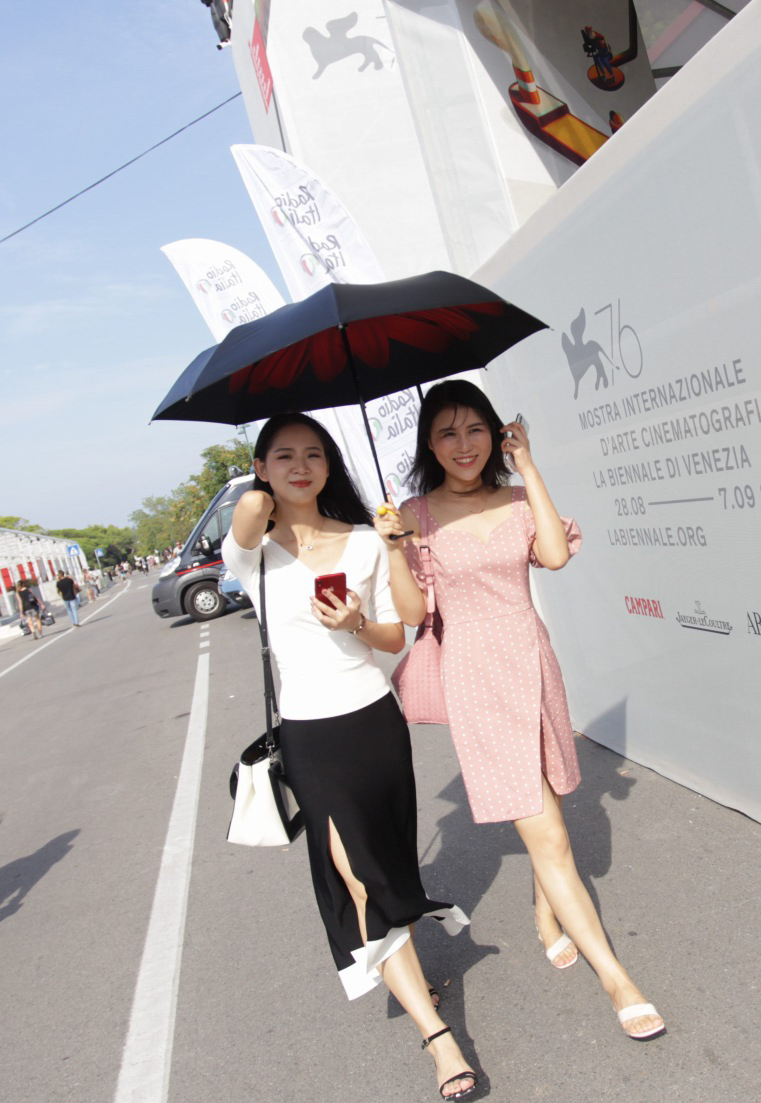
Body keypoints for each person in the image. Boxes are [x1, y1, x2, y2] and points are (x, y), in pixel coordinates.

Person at [380, 380, 665, 1042]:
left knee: (554, 805)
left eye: (474, 429)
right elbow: (416, 613)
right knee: (553, 837)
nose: (462, 445)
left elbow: (556, 555)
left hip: (534, 667)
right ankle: (618, 981)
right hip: (475, 682)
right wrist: (396, 547)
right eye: (447, 433)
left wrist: (529, 465)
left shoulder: (514, 497)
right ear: (429, 441)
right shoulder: (415, 516)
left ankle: (546, 914)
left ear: (496, 432)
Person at [222, 412, 479, 1100]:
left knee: (388, 864)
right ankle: (438, 1036)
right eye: (284, 456)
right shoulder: (251, 549)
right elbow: (247, 516)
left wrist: (358, 621)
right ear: (263, 467)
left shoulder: (364, 541)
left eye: (313, 454)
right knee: (358, 876)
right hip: (310, 737)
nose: (301, 466)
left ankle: (408, 957)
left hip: (374, 723)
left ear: (331, 465)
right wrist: (257, 490)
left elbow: (399, 636)